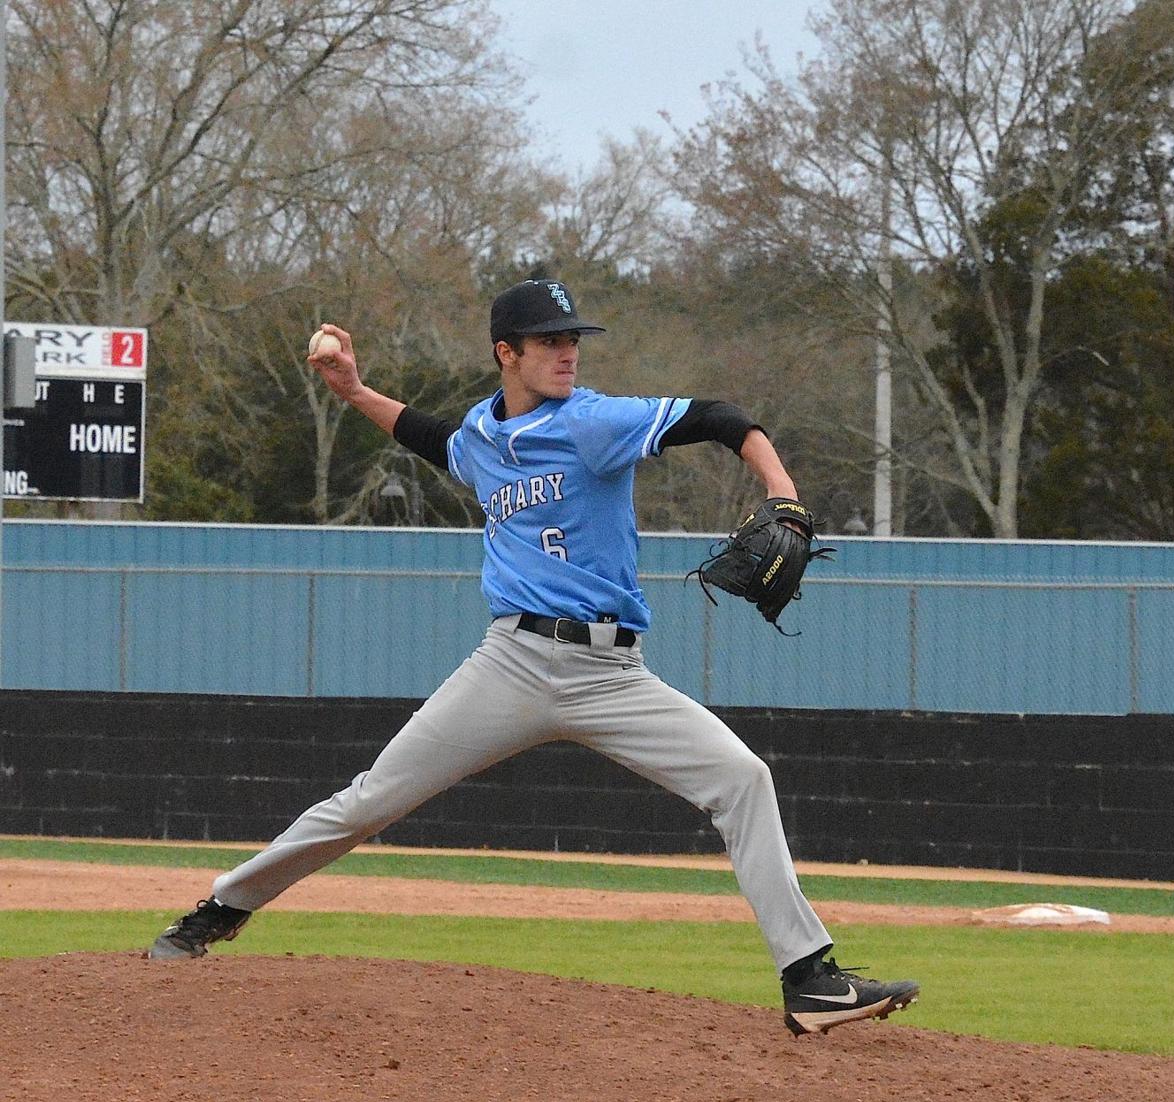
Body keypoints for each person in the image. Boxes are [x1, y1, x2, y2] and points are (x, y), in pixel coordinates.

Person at [149, 279, 919, 1036]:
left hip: (613, 675)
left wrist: (784, 496)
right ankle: (221, 908)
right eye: (550, 341)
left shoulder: (593, 423)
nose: (567, 353)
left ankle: (810, 980)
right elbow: (427, 436)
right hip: (511, 664)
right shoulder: (482, 438)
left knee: (743, 779)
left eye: (573, 340)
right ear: (505, 353)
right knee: (370, 800)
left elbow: (724, 419)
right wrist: (354, 391)